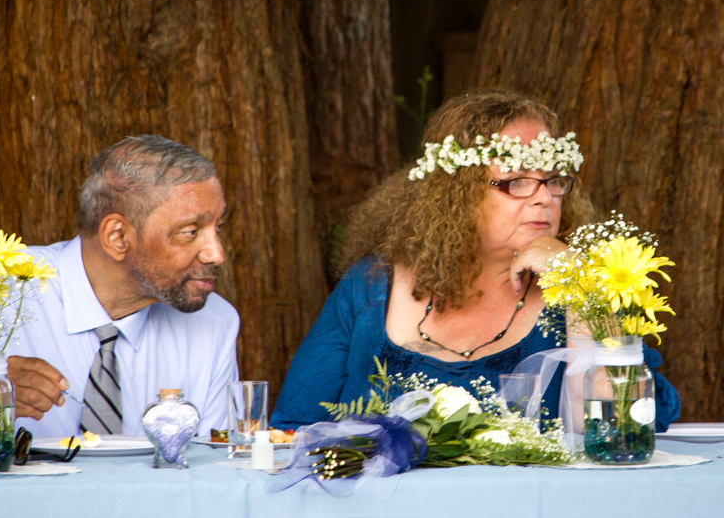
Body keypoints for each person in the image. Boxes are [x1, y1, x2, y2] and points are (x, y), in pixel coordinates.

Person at [271, 89, 680, 431]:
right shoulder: (371, 285)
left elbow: (630, 424)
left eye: (553, 180)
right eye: (516, 181)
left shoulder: (583, 284)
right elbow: (293, 424)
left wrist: (580, 285)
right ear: (457, 194)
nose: (544, 197)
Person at [0, 135, 239, 437]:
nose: (217, 254)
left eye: (218, 227)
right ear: (117, 237)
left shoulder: (214, 324)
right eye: (190, 232)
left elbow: (212, 460)